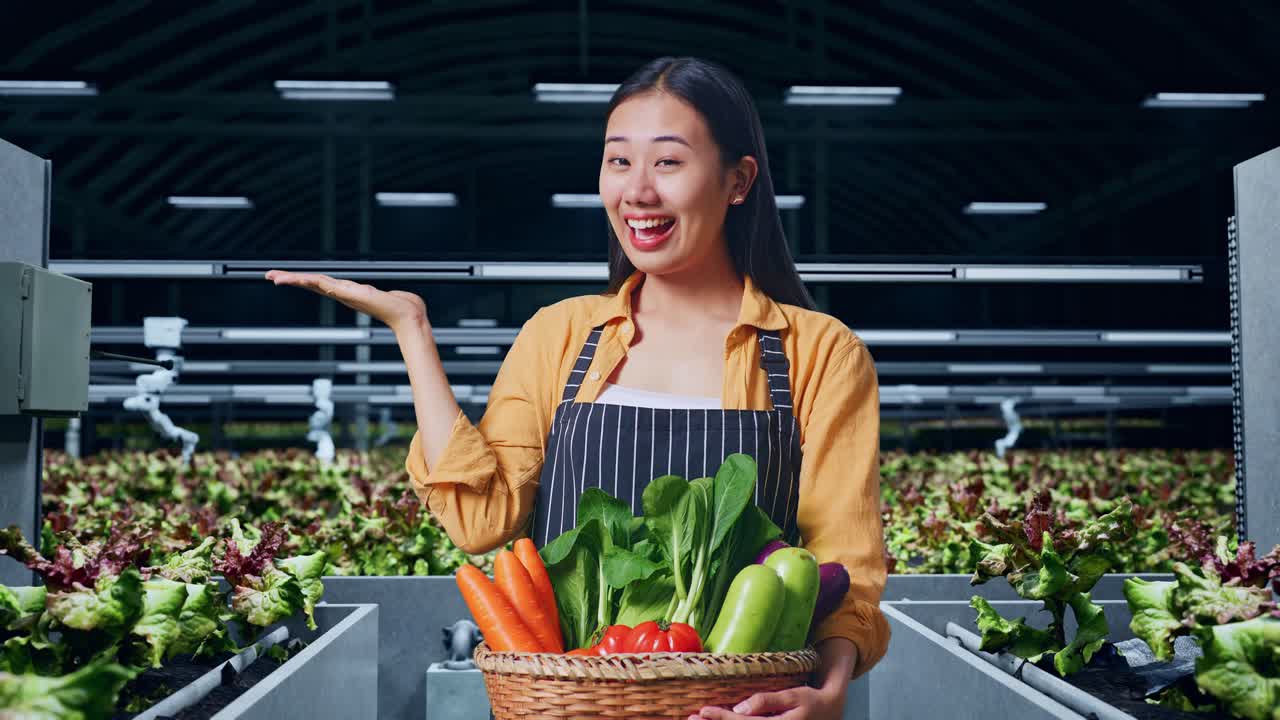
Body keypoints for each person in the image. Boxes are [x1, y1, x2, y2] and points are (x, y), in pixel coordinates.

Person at [267, 55, 889, 720]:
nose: (638, 191)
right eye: (619, 161)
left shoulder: (817, 352)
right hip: (565, 703)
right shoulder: (560, 338)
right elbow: (482, 522)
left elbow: (842, 562)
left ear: (738, 181)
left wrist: (829, 691)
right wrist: (412, 329)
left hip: (738, 709)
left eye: (668, 162)